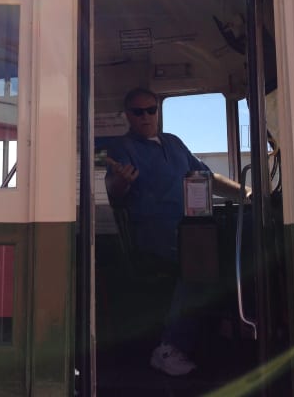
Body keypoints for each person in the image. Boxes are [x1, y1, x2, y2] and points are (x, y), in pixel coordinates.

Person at [104, 87, 246, 376]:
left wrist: (248, 193)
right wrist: (121, 182)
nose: (145, 117)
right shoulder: (123, 148)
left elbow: (207, 177)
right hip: (153, 233)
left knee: (235, 246)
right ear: (128, 116)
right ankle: (168, 348)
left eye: (151, 110)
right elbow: (114, 192)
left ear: (158, 111)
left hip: (190, 228)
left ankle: (233, 326)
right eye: (138, 111)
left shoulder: (174, 143)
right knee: (199, 264)